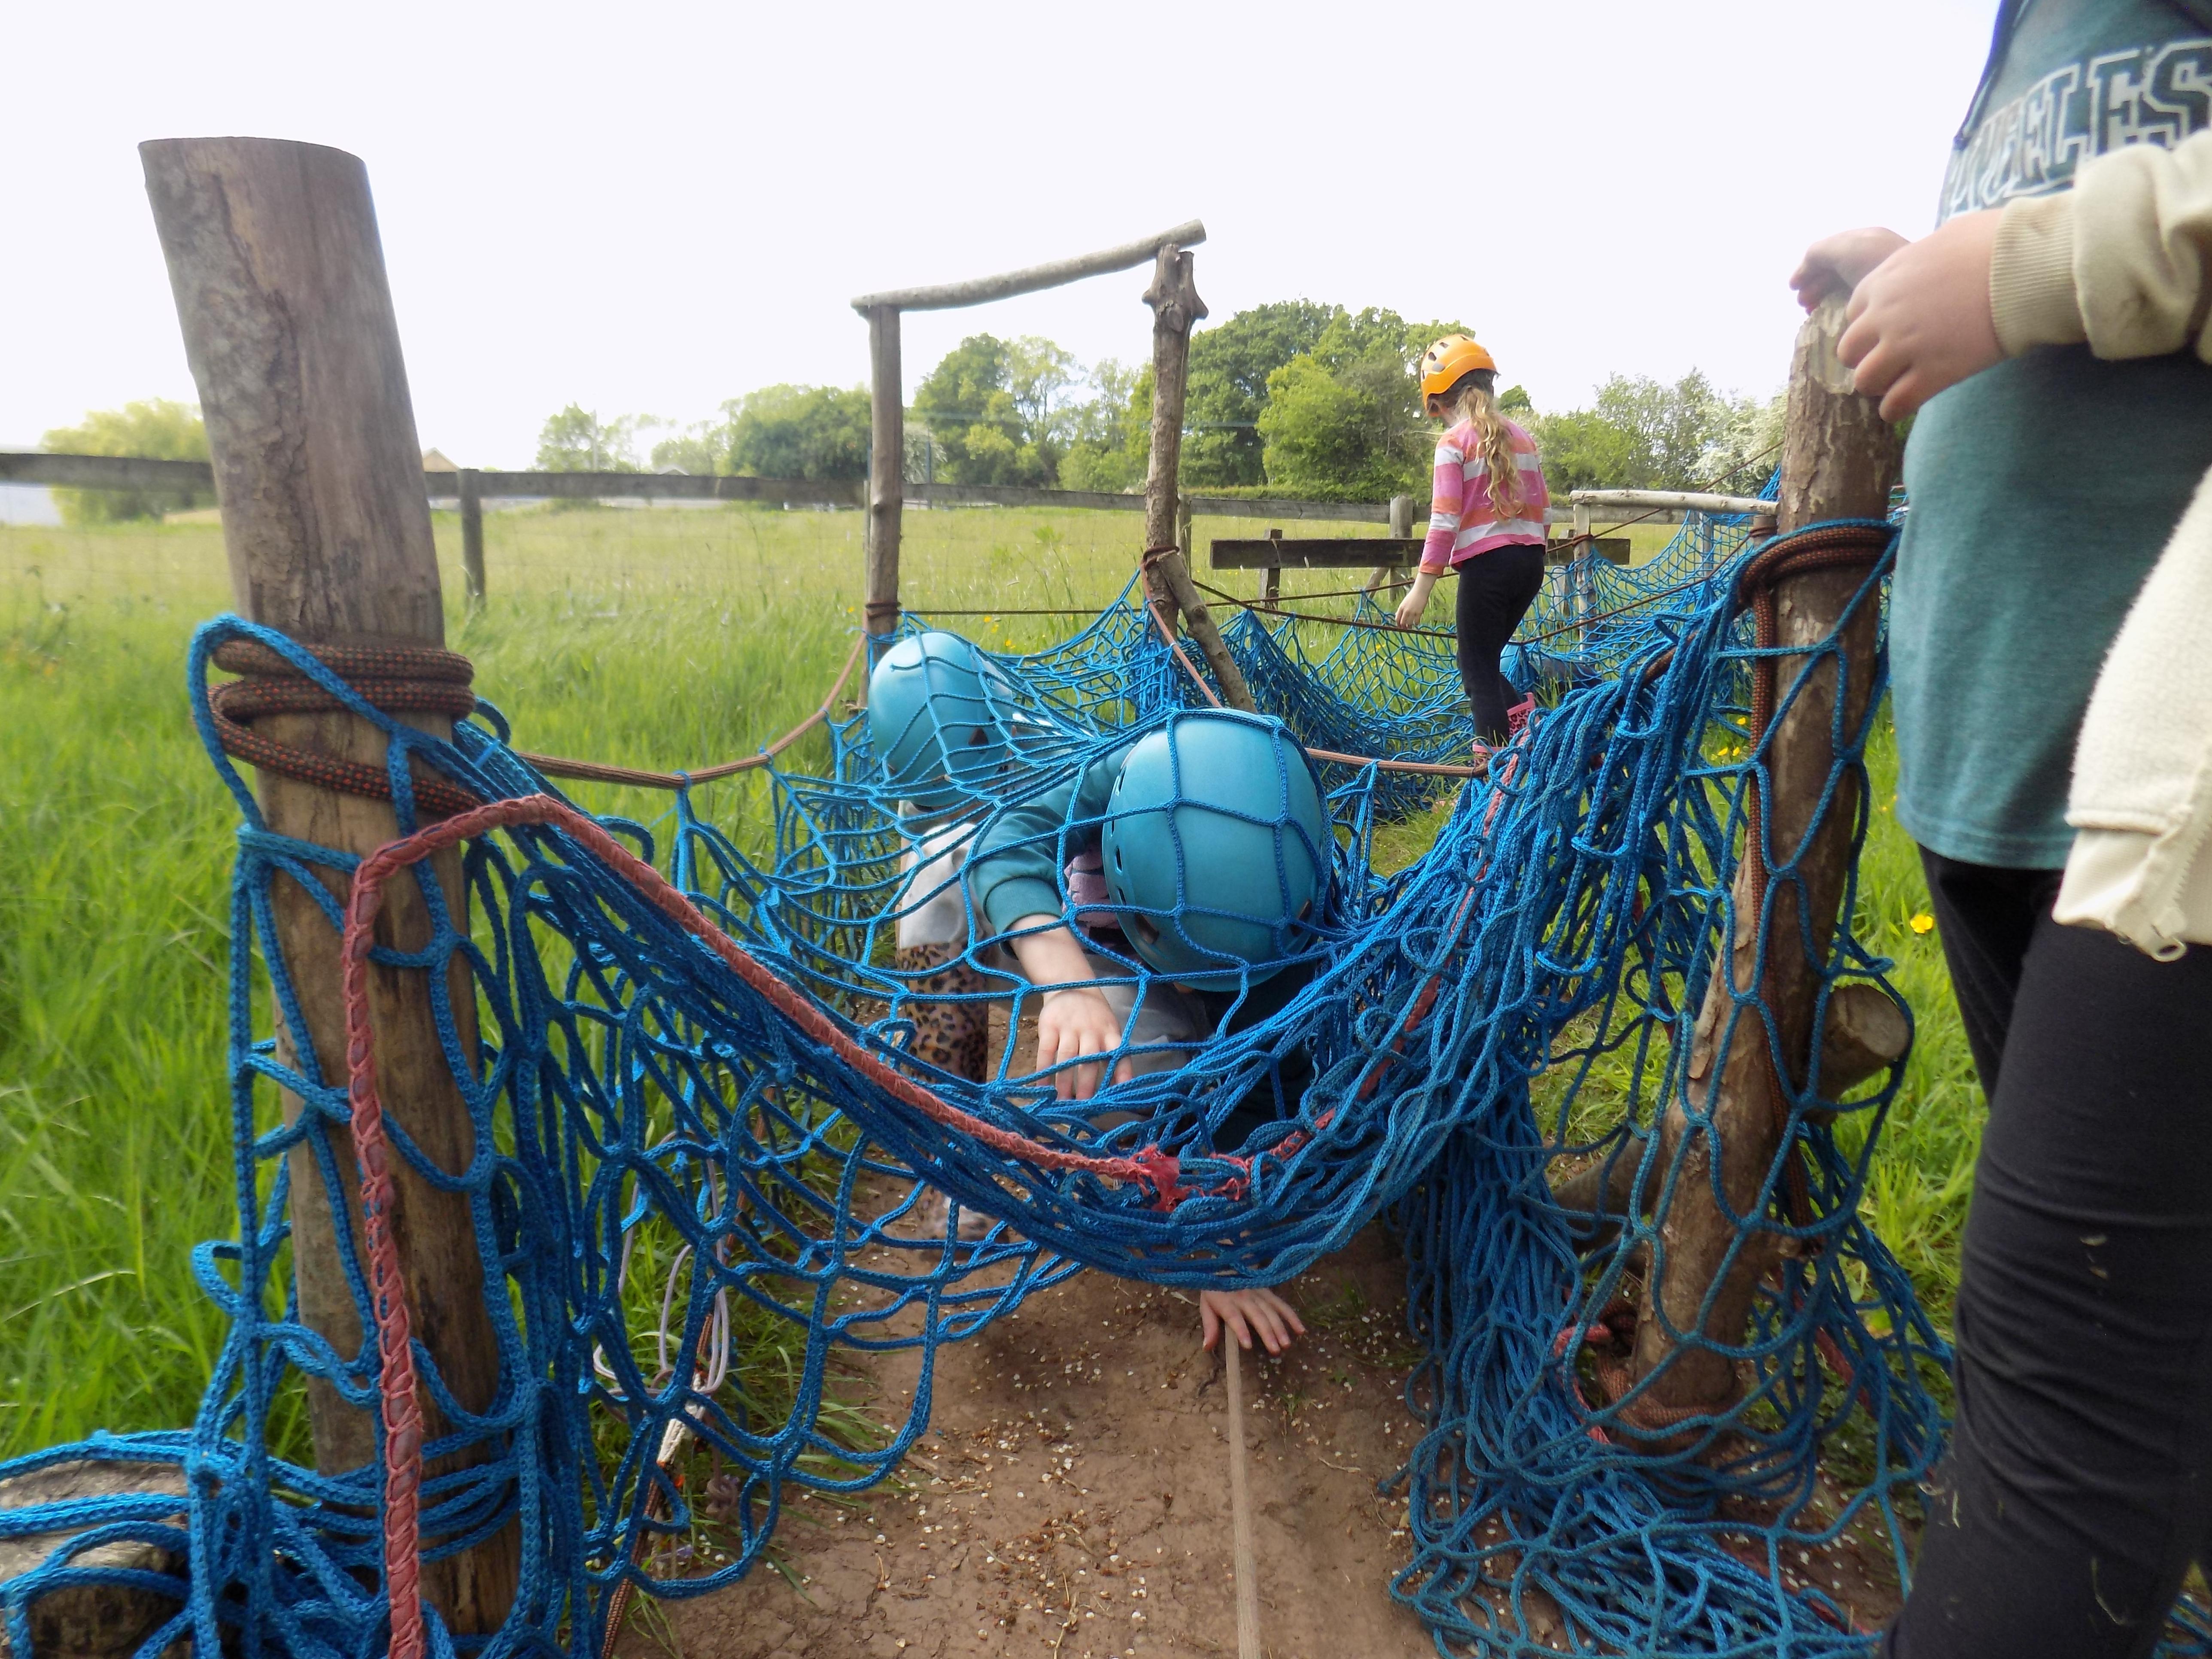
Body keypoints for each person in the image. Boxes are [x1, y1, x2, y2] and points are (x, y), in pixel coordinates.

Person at [1792, 5, 2212, 1651]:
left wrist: (2030, 264)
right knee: (2153, 1365)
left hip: (2160, 816)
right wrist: (1928, 268)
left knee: (2060, 1404)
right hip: (1996, 779)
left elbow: (2103, 245)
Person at [869, 644, 1323, 1356]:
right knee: (936, 870)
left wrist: (1211, 1232)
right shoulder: (1129, 774)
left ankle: (1146, 1147)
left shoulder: (1283, 917)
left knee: (1133, 1076)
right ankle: (950, 1137)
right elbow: (1003, 848)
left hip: (1173, 991)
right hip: (1084, 942)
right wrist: (1069, 986)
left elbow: (1266, 1092)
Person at [1392, 334, 1551, 747]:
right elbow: (1545, 513)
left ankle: (1494, 771)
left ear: (1437, 404)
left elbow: (1444, 521)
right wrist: (1528, 552)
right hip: (1530, 566)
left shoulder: (1453, 443)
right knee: (1481, 662)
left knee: (1478, 676)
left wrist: (1421, 589)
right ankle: (1528, 741)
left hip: (1487, 571)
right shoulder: (1524, 439)